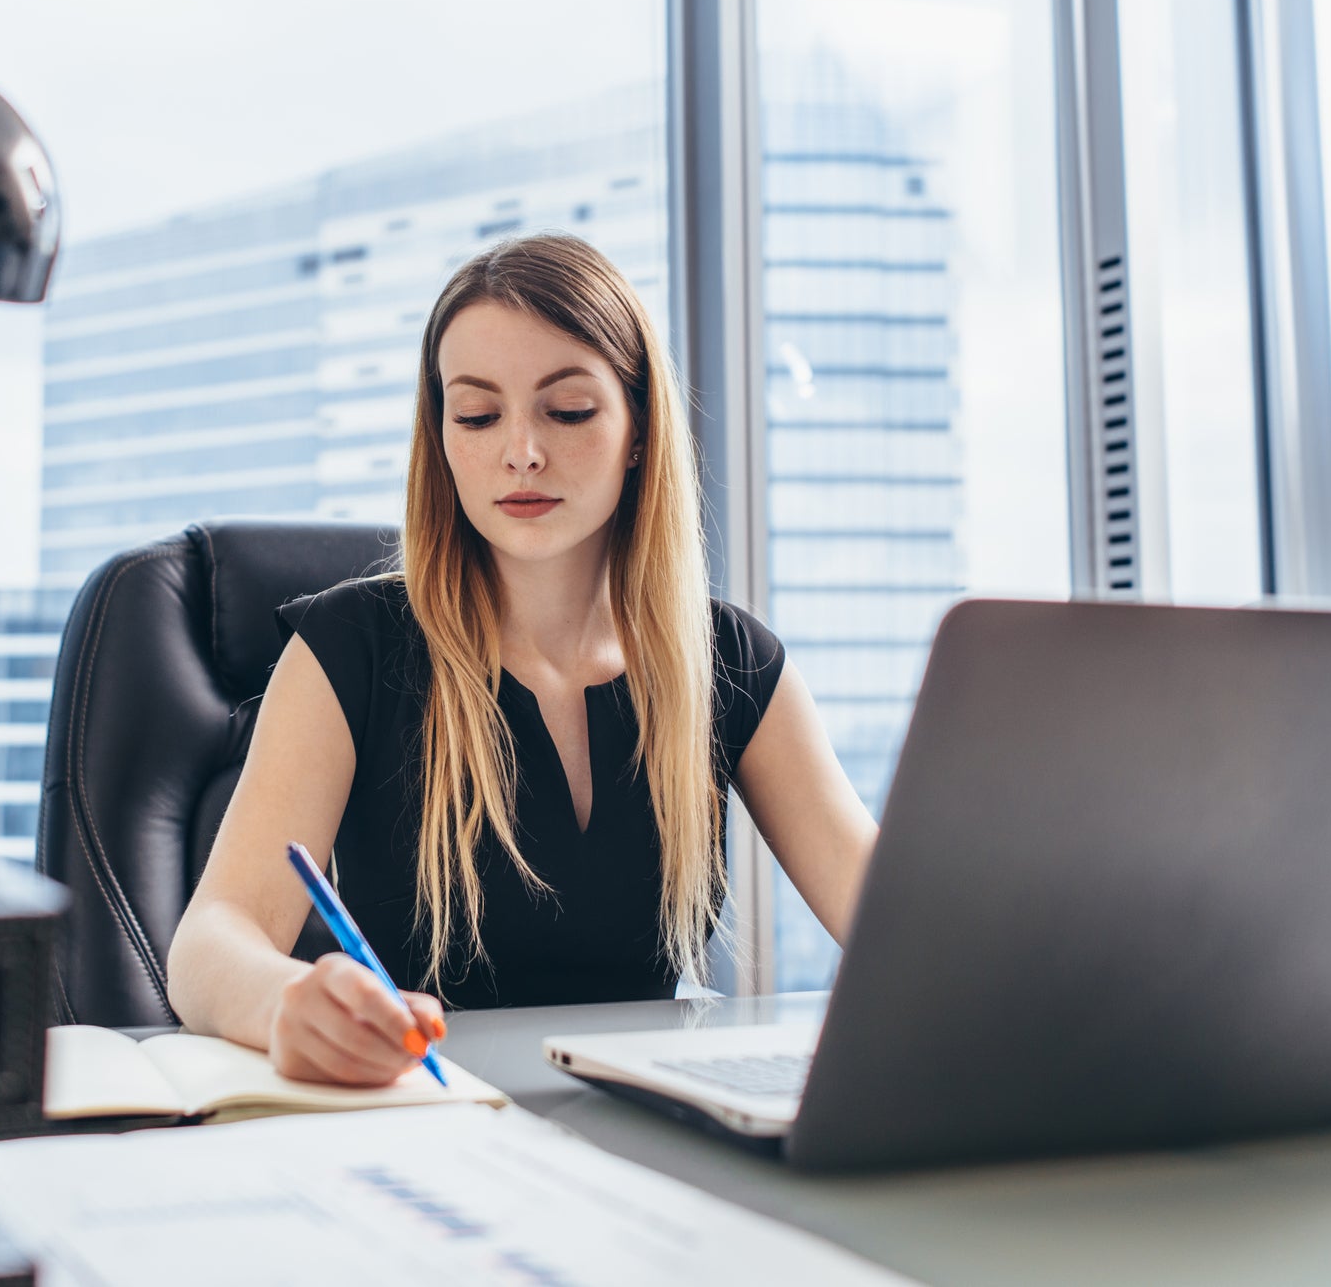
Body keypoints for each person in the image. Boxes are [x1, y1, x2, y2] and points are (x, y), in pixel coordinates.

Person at [167, 232, 878, 1085]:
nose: (521, 452)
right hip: (434, 1122)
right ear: (443, 438)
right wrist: (287, 1001)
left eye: (567, 410)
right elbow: (210, 943)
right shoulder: (351, 648)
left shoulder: (731, 662)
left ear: (641, 429)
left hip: (653, 1139)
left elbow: (894, 926)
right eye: (476, 415)